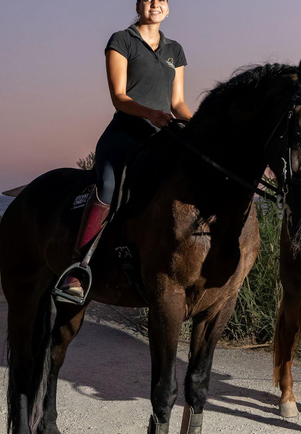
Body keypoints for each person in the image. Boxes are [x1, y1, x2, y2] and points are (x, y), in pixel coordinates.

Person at [56, 0, 192, 301]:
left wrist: (199, 126)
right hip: (125, 133)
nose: (155, 4)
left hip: (163, 136)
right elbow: (119, 97)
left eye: (162, 0)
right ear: (138, 5)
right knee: (107, 185)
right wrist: (149, 114)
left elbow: (177, 103)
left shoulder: (175, 50)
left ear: (168, 9)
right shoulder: (121, 40)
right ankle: (79, 269)